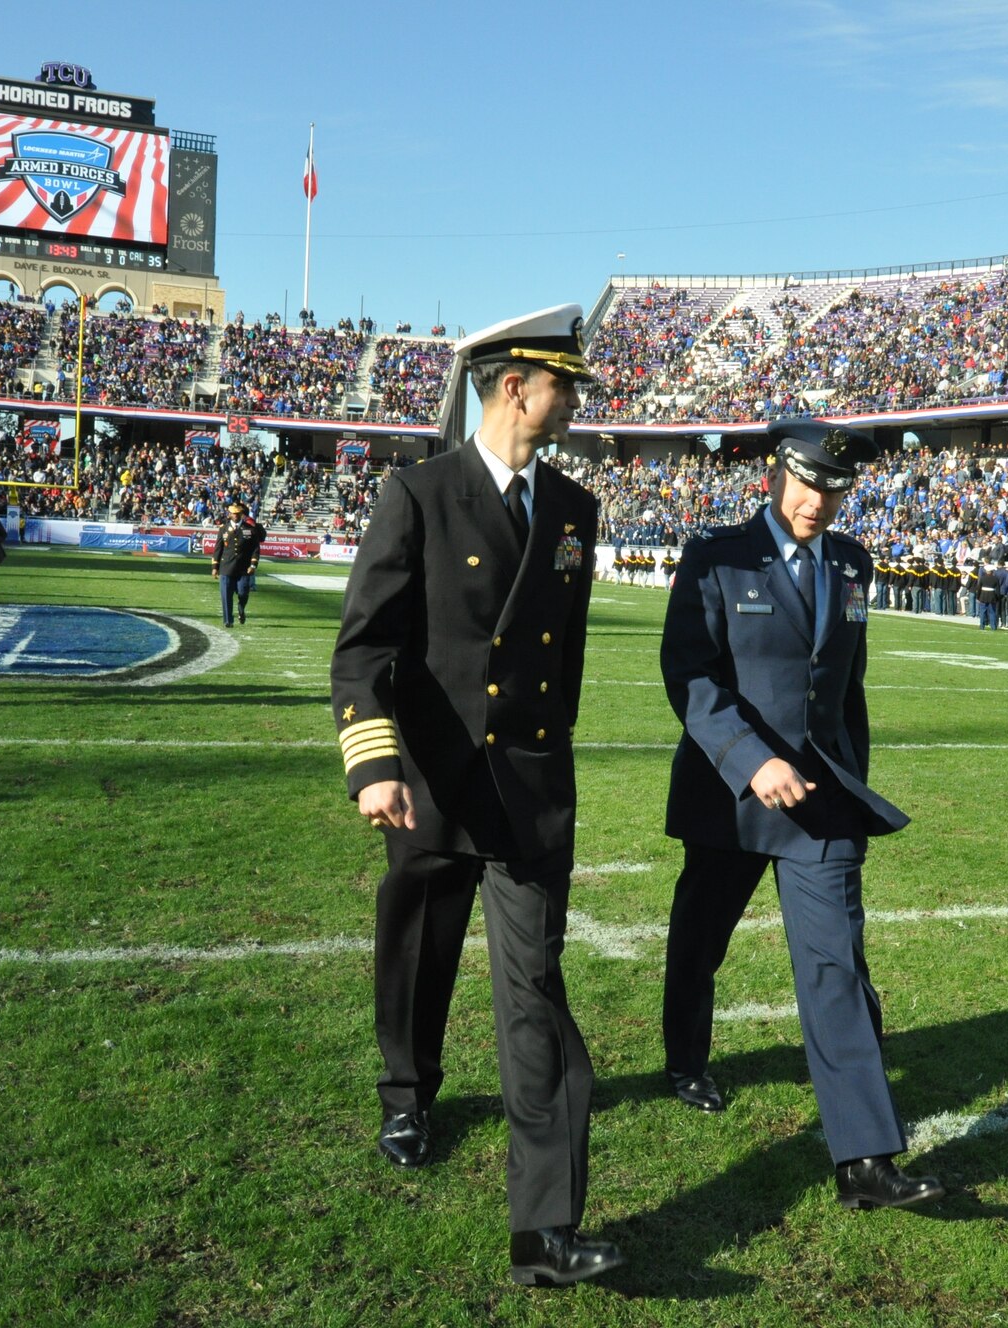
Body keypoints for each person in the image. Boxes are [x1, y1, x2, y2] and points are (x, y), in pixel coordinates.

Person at [327, 304, 620, 1287]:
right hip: (429, 779)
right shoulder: (417, 493)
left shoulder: (573, 510)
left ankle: (545, 1230)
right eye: (563, 385)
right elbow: (364, 644)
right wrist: (373, 762)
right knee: (418, 950)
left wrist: (554, 760)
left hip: (528, 791)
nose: (573, 402)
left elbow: (563, 657)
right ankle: (407, 1090)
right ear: (513, 388)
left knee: (534, 993)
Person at [659, 416, 943, 1215]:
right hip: (733, 797)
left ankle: (864, 1161)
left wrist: (849, 780)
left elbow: (845, 689)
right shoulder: (716, 555)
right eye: (810, 482)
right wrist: (754, 763)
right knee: (700, 940)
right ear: (777, 476)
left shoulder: (852, 563)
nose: (821, 501)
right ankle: (685, 1059)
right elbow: (690, 677)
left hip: (822, 808)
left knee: (836, 969)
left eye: (836, 488)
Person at [210, 499, 266, 626]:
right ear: (229, 514)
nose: (235, 516)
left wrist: (253, 565)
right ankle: (228, 620)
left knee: (243, 592)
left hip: (243, 568)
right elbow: (218, 548)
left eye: (238, 513)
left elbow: (255, 549)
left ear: (241, 514)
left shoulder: (250, 530)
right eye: (233, 513)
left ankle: (241, 608)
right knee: (226, 595)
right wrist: (215, 566)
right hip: (226, 567)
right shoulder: (223, 529)